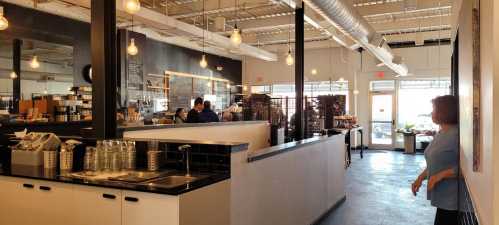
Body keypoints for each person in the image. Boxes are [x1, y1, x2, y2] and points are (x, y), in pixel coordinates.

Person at [411, 95, 460, 225]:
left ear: (445, 111)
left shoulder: (457, 135)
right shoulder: (442, 132)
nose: (431, 112)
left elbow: (468, 169)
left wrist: (440, 176)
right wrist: (420, 178)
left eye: (434, 109)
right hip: (443, 199)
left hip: (454, 202)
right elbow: (436, 162)